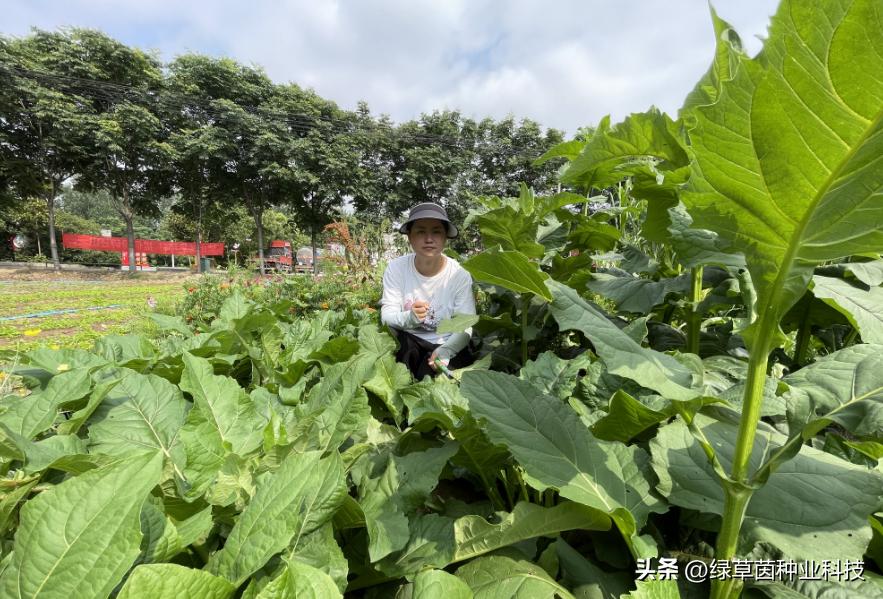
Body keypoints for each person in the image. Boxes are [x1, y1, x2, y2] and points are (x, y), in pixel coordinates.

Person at [380, 202, 476, 379]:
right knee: (402, 374)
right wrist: (409, 318)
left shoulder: (459, 275)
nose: (429, 239)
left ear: (445, 237)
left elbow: (466, 326)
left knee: (444, 383)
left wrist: (447, 350)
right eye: (421, 231)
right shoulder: (396, 269)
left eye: (436, 231)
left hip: (448, 342)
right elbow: (386, 316)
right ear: (410, 237)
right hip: (410, 342)